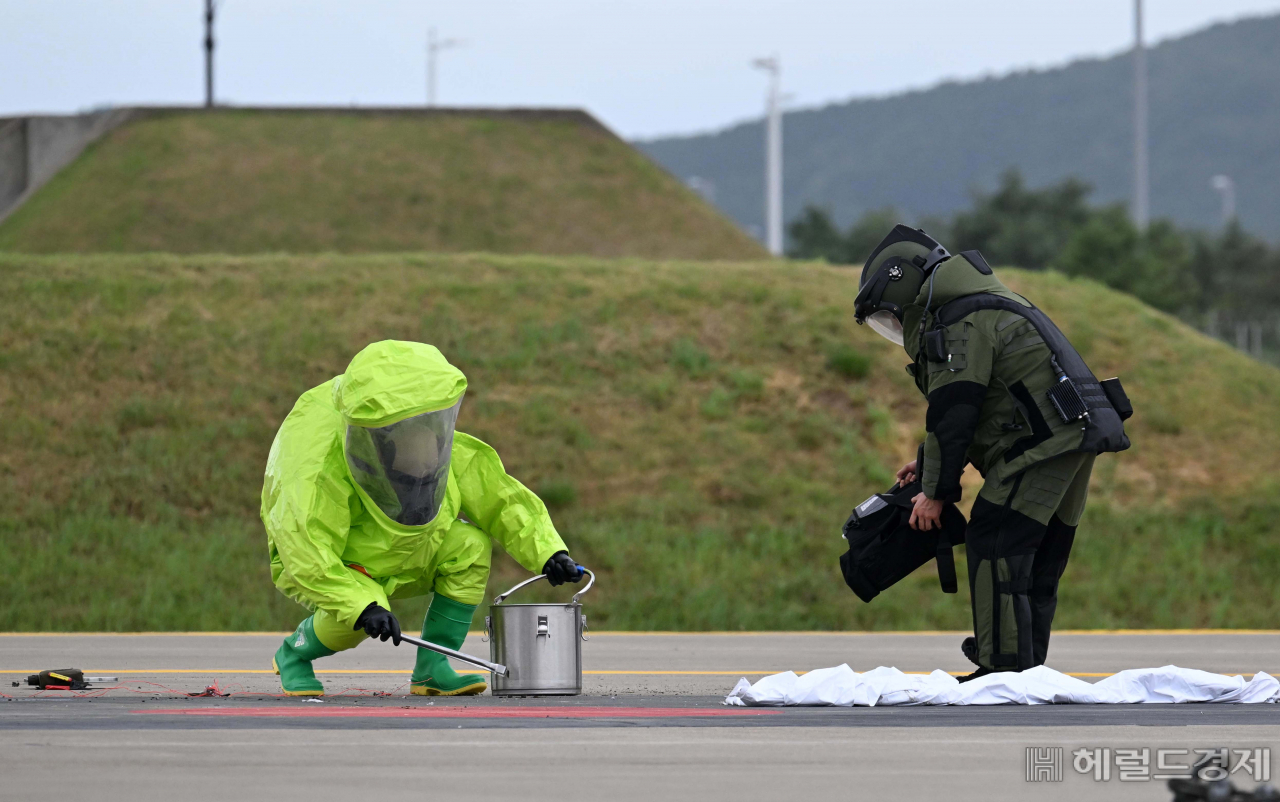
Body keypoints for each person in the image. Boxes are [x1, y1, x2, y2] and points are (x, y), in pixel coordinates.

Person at [853, 226, 1131, 682]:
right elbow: (990, 403)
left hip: (1040, 446)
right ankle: (1022, 667)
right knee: (1037, 555)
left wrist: (935, 492)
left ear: (904, 286)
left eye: (892, 315)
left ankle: (1002, 667)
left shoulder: (958, 322)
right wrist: (928, 466)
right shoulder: (988, 305)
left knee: (997, 541)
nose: (898, 327)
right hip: (1073, 438)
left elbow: (955, 411)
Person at [261, 340, 583, 696]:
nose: (429, 452)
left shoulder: (434, 441)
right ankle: (294, 654)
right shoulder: (318, 474)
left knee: (470, 547)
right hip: (350, 560)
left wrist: (550, 553)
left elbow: (500, 498)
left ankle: (432, 669)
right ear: (378, 440)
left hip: (416, 544)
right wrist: (362, 606)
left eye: (432, 426)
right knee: (353, 617)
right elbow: (306, 550)